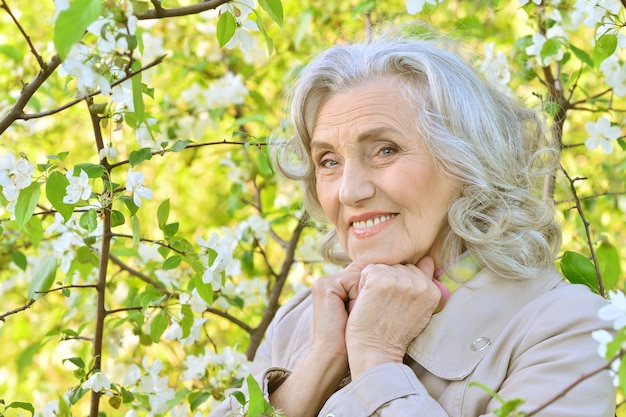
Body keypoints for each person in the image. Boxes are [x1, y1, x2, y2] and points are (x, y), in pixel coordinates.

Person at [208, 35, 616, 417]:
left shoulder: (565, 329)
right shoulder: (302, 320)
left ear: (467, 162)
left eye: (385, 150)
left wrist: (375, 359)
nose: (349, 191)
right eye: (328, 161)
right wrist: (321, 364)